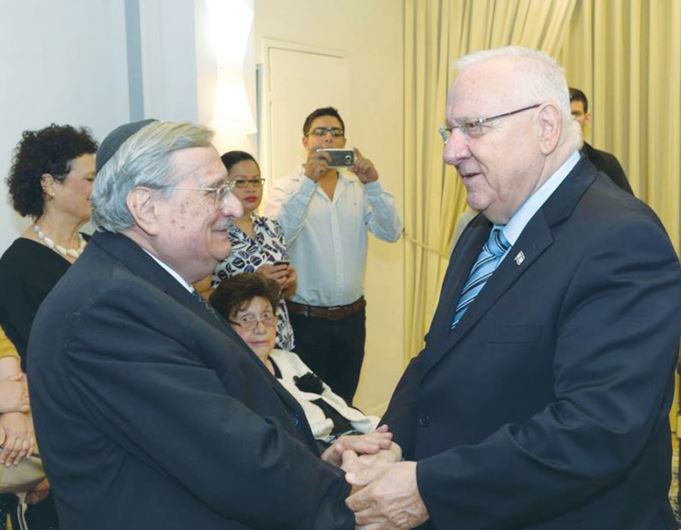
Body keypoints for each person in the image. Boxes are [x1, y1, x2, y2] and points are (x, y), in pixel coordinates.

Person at [342, 46, 681, 530]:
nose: (450, 151)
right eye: (449, 130)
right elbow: (438, 356)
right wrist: (392, 443)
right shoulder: (484, 226)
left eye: (474, 127)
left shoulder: (620, 238)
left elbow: (595, 430)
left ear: (546, 127)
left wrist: (430, 486)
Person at [26, 119, 393, 530]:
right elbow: (235, 461)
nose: (234, 207)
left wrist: (316, 457)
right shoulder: (107, 311)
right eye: (215, 191)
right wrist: (364, 504)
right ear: (146, 207)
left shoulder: (147, 286)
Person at [266, 107, 402, 404]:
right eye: (320, 132)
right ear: (305, 141)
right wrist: (308, 182)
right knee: (306, 406)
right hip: (304, 321)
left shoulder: (358, 187)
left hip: (351, 320)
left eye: (336, 133)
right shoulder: (285, 188)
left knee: (344, 401)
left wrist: (373, 183)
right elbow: (278, 239)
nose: (328, 137)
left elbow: (391, 232)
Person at [0, 123, 98, 530]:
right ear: (50, 184)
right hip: (67, 432)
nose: (97, 187)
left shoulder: (98, 248)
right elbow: (29, 361)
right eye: (89, 178)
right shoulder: (16, 267)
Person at [209, 272, 379, 447]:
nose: (260, 329)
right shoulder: (236, 380)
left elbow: (336, 403)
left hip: (351, 432)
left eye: (267, 316)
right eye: (247, 319)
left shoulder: (287, 359)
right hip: (318, 451)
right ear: (224, 326)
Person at [207, 150, 297, 351]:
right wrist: (254, 282)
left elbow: (286, 295)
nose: (251, 188)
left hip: (278, 338)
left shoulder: (272, 227)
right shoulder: (214, 231)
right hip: (236, 340)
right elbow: (200, 294)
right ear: (222, 186)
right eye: (241, 182)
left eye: (256, 181)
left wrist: (289, 282)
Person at [569, 87, 634, 195]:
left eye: (576, 114)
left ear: (587, 118)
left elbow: (628, 208)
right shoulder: (545, 165)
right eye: (567, 114)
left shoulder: (607, 164)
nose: (571, 119)